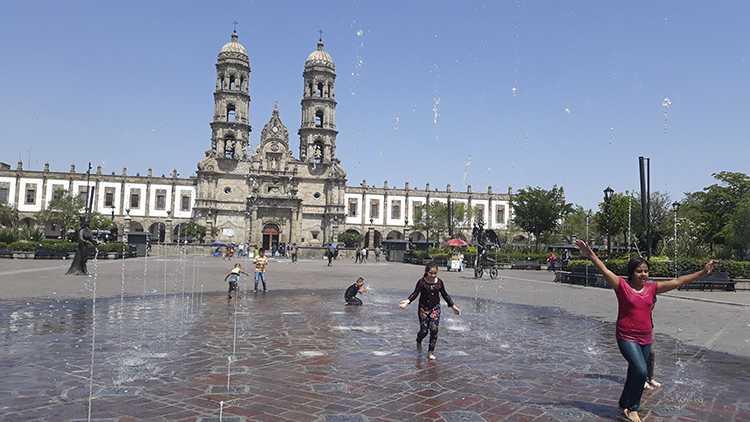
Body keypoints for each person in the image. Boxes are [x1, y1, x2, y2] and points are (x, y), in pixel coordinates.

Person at [575, 239, 718, 422]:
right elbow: (604, 270)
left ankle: (623, 402)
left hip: (646, 338)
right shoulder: (622, 287)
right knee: (641, 372)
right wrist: (591, 254)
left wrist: (703, 272)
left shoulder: (652, 289)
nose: (643, 274)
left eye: (645, 271)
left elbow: (678, 281)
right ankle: (632, 408)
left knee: (634, 371)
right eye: (639, 271)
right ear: (631, 273)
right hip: (626, 337)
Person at [399, 263, 461, 360]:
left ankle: (430, 351)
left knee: (434, 329)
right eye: (430, 273)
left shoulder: (439, 282)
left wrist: (453, 307)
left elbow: (445, 295)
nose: (433, 275)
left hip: (435, 308)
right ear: (426, 272)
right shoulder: (421, 282)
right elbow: (415, 293)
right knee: (424, 331)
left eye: (435, 273)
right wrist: (407, 301)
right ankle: (418, 340)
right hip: (423, 308)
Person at [645, 296, 661, 390]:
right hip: (635, 329)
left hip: (649, 327)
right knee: (639, 355)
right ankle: (640, 379)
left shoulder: (649, 291)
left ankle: (650, 378)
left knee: (651, 353)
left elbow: (652, 307)